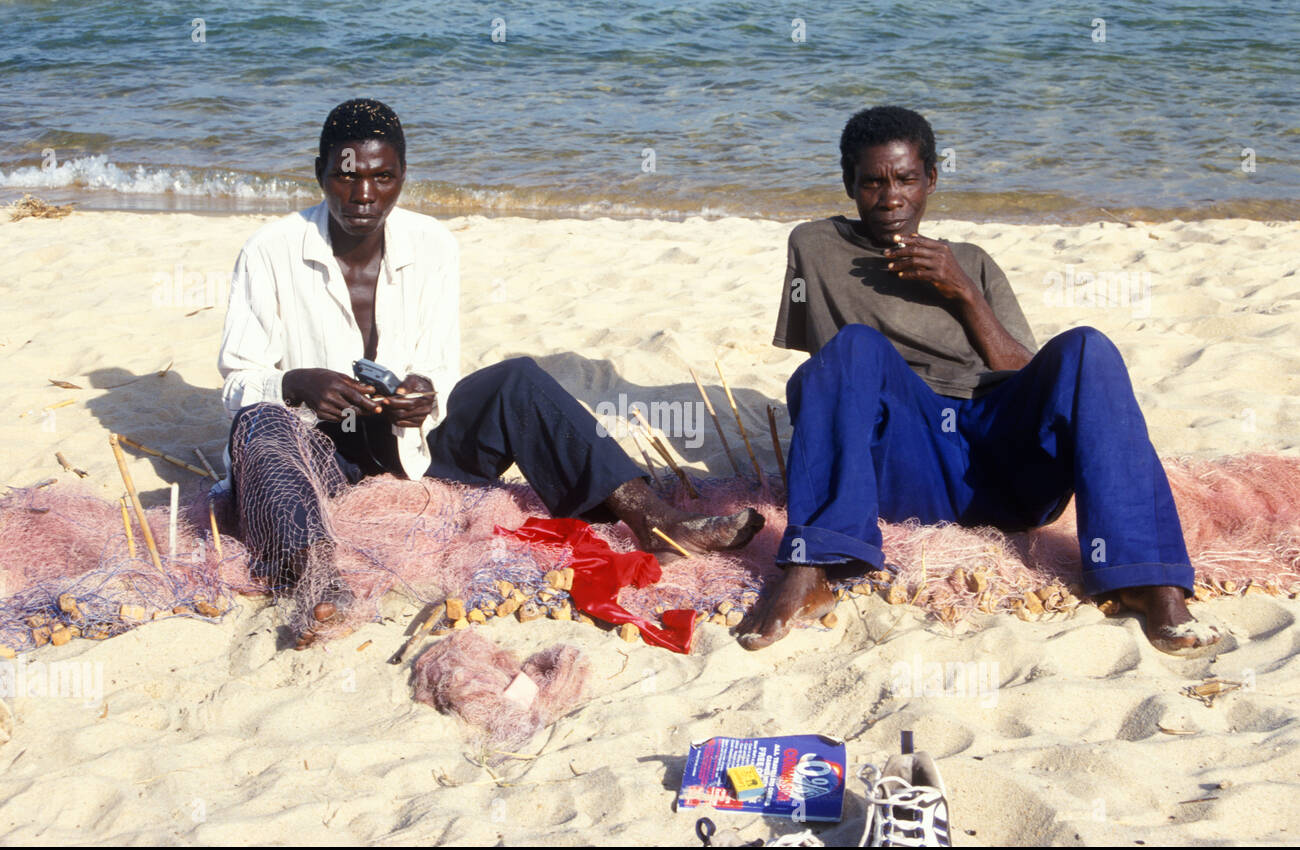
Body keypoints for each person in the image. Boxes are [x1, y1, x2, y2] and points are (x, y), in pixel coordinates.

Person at [218, 99, 763, 647]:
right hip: (318, 461)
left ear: (402, 177)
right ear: (320, 173)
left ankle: (655, 520)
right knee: (260, 422)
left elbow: (435, 365)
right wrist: (294, 384)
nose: (364, 196)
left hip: (418, 453)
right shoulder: (270, 251)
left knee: (518, 381)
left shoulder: (432, 245)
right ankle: (317, 581)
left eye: (382, 178)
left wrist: (423, 393)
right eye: (346, 176)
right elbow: (238, 381)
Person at [736, 105, 1217, 655]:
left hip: (1000, 464)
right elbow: (828, 375)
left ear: (931, 180)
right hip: (902, 461)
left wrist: (962, 290)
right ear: (849, 184)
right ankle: (814, 566)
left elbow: (1027, 374)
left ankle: (1149, 581)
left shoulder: (970, 261)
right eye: (872, 182)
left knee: (1089, 348)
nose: (891, 198)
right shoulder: (816, 246)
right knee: (853, 348)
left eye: (907, 179)